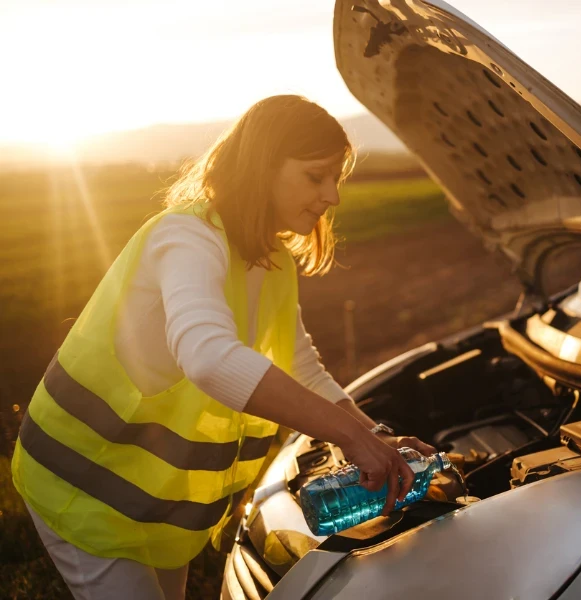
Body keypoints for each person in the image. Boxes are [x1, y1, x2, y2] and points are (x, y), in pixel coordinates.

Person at [10, 94, 436, 600]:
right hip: (82, 480)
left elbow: (301, 367)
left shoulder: (268, 255)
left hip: (152, 498)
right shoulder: (187, 237)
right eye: (316, 176)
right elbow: (208, 357)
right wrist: (348, 437)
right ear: (263, 167)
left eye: (335, 179)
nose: (332, 197)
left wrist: (375, 436)